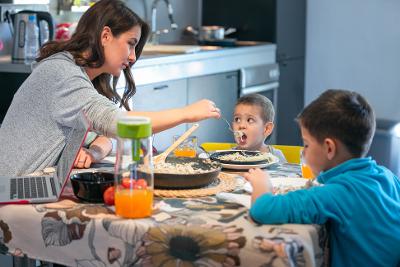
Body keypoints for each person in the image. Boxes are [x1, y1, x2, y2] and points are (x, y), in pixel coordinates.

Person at [0, 0, 220, 176]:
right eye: (131, 43)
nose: (133, 57)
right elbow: (118, 125)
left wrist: (95, 151)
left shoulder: (81, 76)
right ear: (105, 36)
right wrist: (186, 113)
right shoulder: (62, 74)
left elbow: (103, 136)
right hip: (8, 189)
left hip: (29, 182)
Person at [244, 89, 400, 267]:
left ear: (329, 148)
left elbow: (263, 210)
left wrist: (262, 184)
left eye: (306, 144)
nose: (303, 151)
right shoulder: (388, 176)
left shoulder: (336, 193)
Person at [232, 93, 286, 162]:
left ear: (267, 129)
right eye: (237, 119)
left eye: (250, 120)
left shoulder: (276, 157)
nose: (241, 125)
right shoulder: (227, 156)